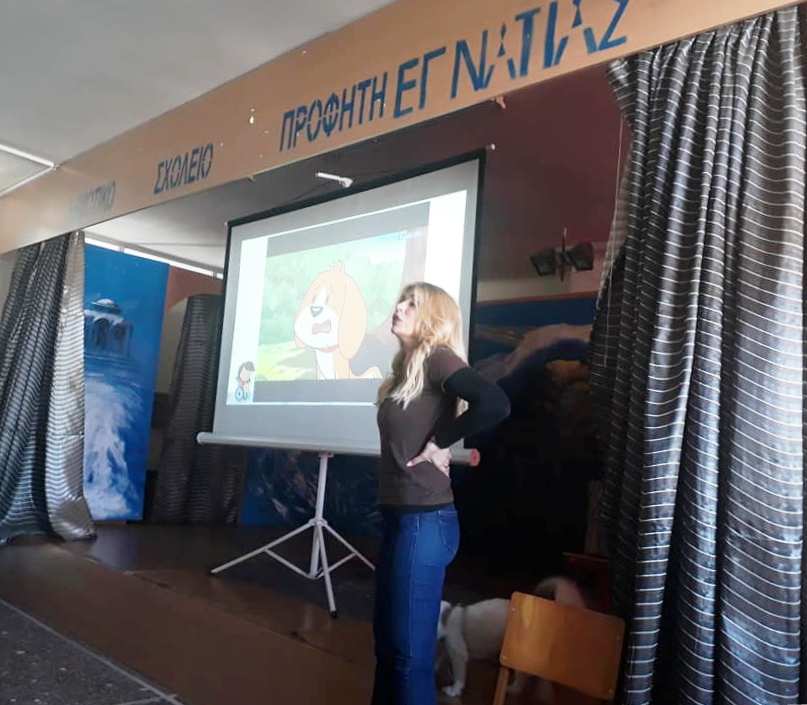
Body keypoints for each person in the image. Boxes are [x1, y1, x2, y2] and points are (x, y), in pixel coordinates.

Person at [372, 282, 510, 705]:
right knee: (388, 650)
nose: (399, 308)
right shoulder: (406, 369)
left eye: (412, 304)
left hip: (425, 521)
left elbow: (495, 403)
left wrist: (441, 442)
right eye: (401, 300)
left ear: (432, 318)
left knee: (409, 658)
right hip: (399, 517)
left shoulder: (436, 357)